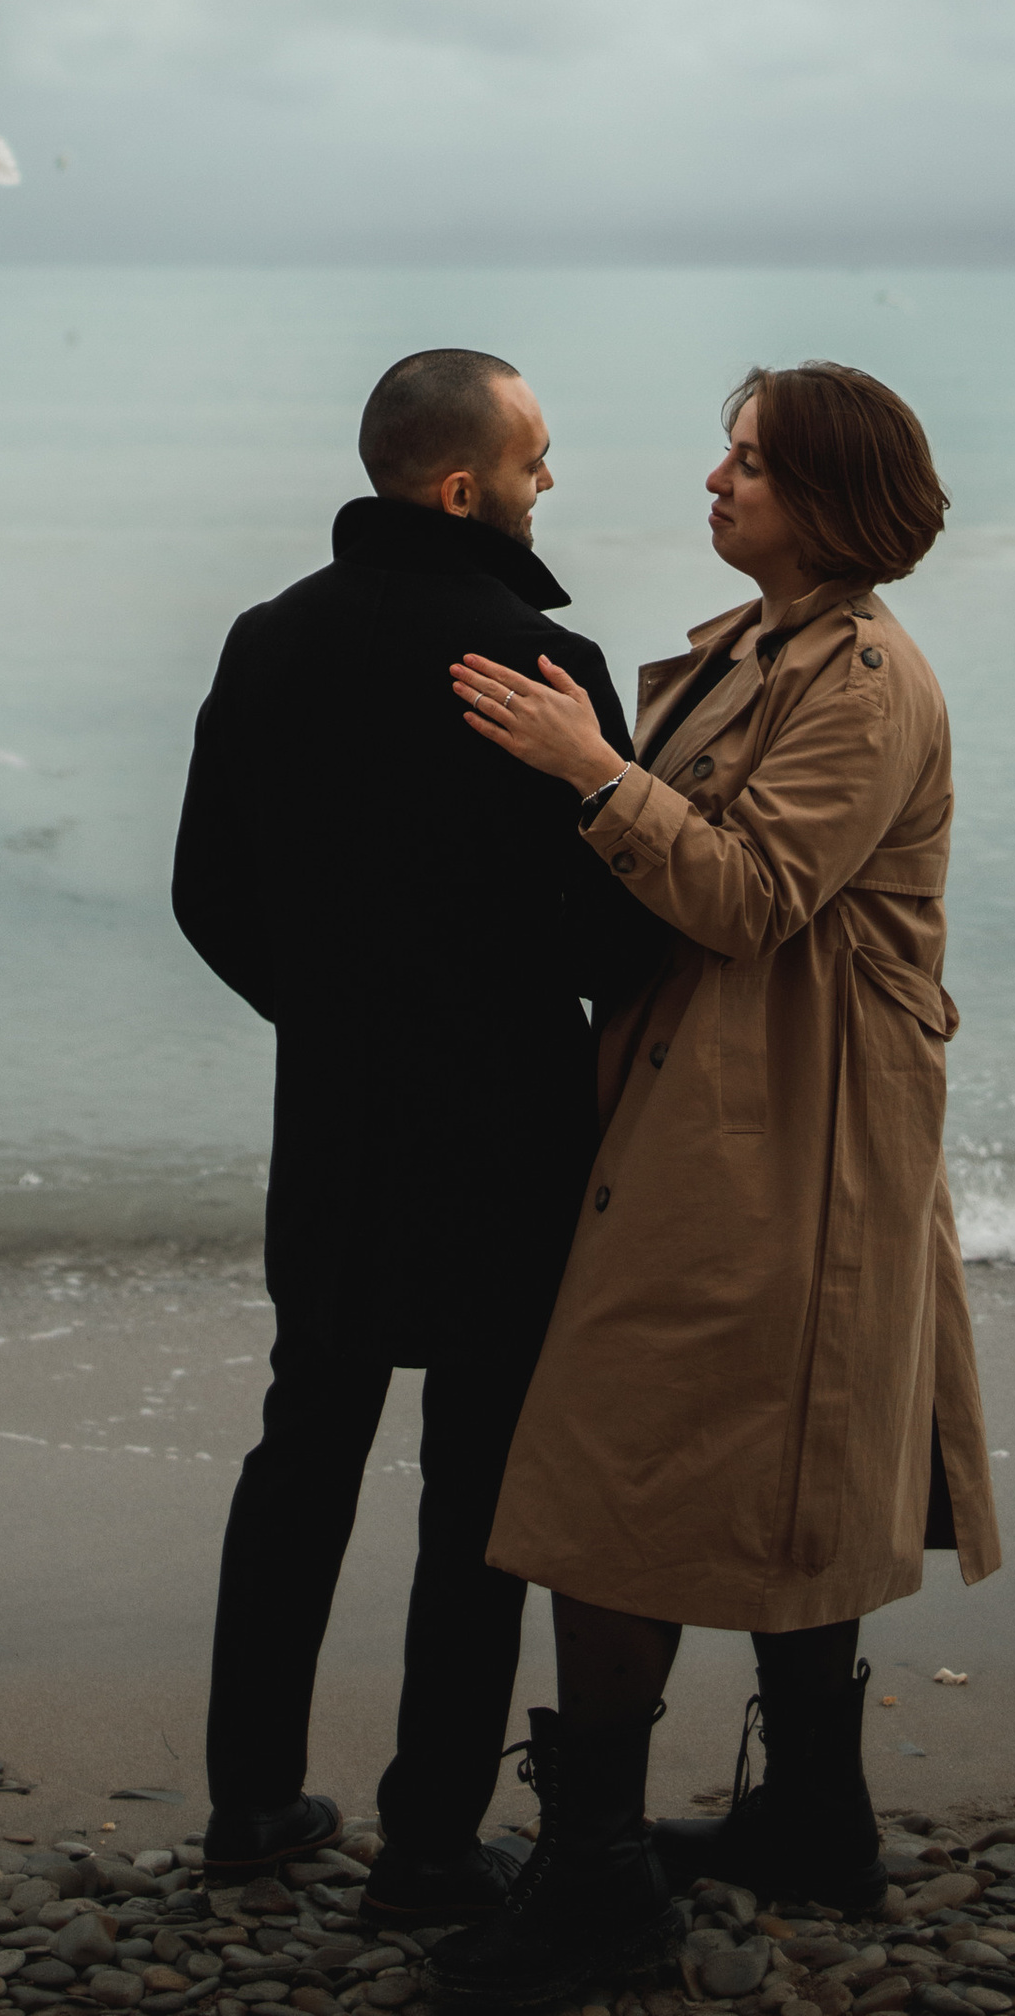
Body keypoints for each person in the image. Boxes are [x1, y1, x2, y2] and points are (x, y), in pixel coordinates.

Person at [436, 360, 1001, 2010]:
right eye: (728, 455)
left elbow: (752, 897)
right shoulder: (760, 642)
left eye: (748, 463)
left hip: (795, 1126)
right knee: (779, 1461)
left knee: (630, 1473)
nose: (714, 479)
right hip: (738, 1106)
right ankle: (816, 1816)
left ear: (826, 496)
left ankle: (600, 1874)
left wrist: (584, 763)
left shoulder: (870, 683)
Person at [172, 347, 648, 1920]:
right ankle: (431, 1844)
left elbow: (207, 894)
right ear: (464, 486)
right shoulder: (545, 664)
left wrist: (329, 1015)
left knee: (303, 1446)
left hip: (333, 1122)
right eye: (535, 459)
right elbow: (620, 937)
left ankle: (249, 1802)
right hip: (508, 1133)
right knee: (476, 1491)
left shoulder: (266, 640)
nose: (547, 483)